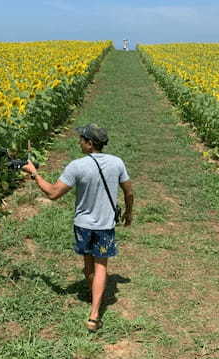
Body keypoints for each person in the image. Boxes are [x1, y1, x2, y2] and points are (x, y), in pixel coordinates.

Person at [21, 123, 134, 331]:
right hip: (105, 225)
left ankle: (94, 303)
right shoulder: (117, 163)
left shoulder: (77, 166)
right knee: (102, 266)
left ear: (90, 144)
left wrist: (34, 174)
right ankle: (94, 313)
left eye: (81, 139)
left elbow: (53, 193)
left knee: (89, 265)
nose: (78, 142)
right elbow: (129, 192)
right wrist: (128, 213)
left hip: (83, 226)